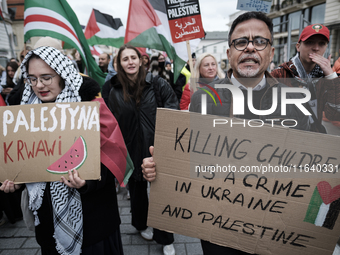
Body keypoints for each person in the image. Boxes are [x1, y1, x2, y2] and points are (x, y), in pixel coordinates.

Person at [142, 11, 310, 255]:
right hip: (218, 230)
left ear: (271, 53)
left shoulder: (294, 102)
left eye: (260, 41)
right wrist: (161, 168)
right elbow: (186, 158)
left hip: (274, 232)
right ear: (229, 53)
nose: (250, 48)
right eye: (241, 42)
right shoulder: (203, 99)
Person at [0, 46, 129, 255]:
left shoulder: (90, 105)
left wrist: (88, 182)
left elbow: (113, 158)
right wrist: (15, 182)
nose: (38, 85)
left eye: (46, 77)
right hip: (48, 227)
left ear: (62, 75)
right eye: (32, 78)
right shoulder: (22, 114)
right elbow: (26, 163)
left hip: (93, 222)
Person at [107, 44, 178, 255]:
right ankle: (141, 225)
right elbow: (112, 124)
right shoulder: (114, 91)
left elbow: (173, 110)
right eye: (125, 58)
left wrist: (167, 144)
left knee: (162, 194)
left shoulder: (158, 84)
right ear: (119, 64)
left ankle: (166, 238)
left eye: (133, 57)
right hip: (130, 150)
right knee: (137, 192)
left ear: (141, 61)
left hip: (157, 148)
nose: (130, 62)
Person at [271, 24, 340, 133]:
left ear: (326, 47)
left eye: (321, 44)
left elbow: (335, 114)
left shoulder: (325, 78)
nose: (316, 48)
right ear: (298, 46)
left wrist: (331, 76)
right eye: (309, 42)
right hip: (284, 136)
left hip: (313, 137)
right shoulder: (279, 74)